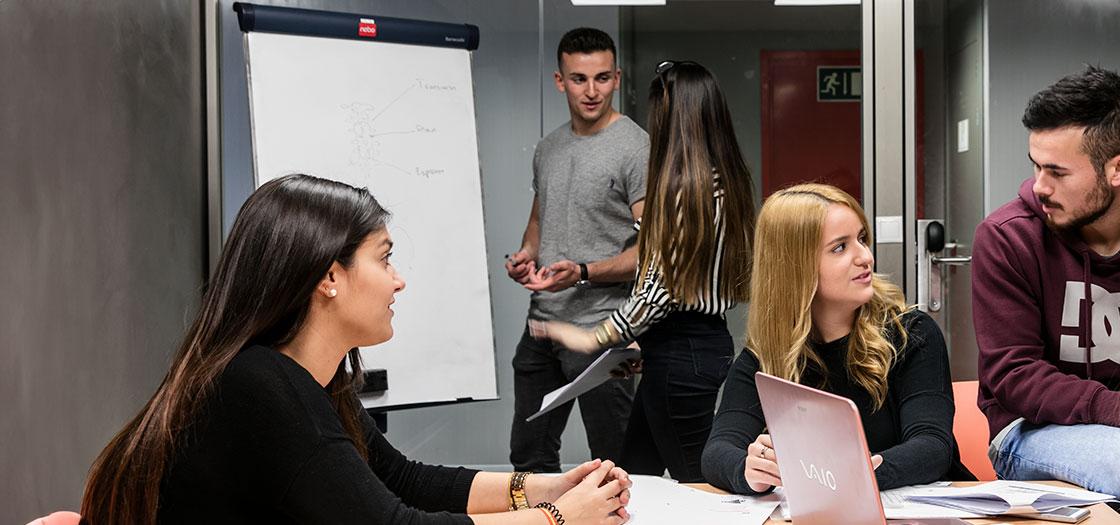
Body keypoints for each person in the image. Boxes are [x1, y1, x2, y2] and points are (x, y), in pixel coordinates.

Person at [80, 175, 632, 525]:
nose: (398, 281)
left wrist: (548, 486)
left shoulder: (306, 377)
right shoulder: (260, 385)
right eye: (384, 259)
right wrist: (560, 518)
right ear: (329, 277)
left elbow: (405, 480)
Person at [531, 61, 756, 483]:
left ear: (675, 119)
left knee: (702, 485)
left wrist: (589, 337)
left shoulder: (686, 192)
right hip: (690, 344)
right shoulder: (721, 180)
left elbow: (658, 292)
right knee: (633, 474)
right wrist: (645, 347)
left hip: (682, 353)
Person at [969, 65, 1120, 522]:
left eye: (1057, 171)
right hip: (1032, 430)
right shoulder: (1006, 237)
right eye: (1036, 166)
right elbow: (1013, 375)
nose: (1040, 185)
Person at [701, 184, 973, 495]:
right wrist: (751, 471)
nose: (865, 257)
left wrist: (851, 475)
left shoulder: (912, 334)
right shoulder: (764, 357)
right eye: (840, 247)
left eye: (862, 239)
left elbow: (932, 446)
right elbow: (718, 452)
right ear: (795, 267)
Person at [503, 27, 648, 473]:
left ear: (618, 78)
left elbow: (653, 253)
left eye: (602, 78)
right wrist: (528, 254)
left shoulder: (635, 147)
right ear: (560, 81)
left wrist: (584, 270)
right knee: (528, 458)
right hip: (542, 325)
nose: (592, 91)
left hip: (602, 331)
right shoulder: (548, 147)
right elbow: (540, 219)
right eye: (579, 79)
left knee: (615, 463)